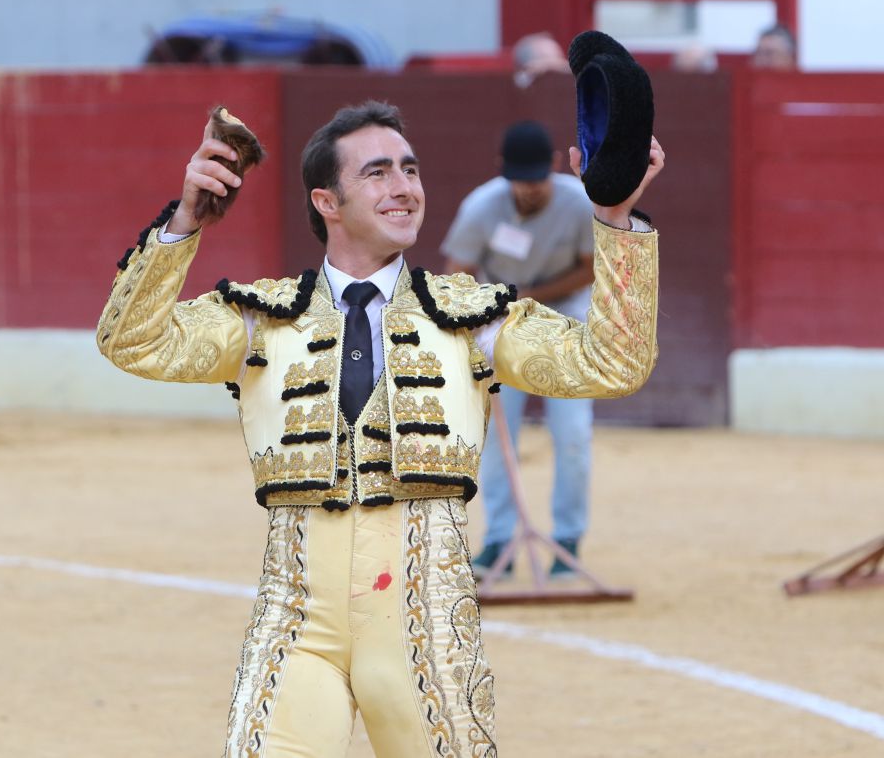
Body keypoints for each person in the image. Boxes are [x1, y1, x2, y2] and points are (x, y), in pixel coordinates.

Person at [97, 100, 663, 757]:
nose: (404, 187)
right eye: (377, 173)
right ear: (327, 202)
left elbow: (613, 363)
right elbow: (131, 343)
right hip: (295, 625)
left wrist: (615, 221)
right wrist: (185, 223)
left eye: (410, 169)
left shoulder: (472, 317)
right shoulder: (261, 319)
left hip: (426, 626)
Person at [440, 121, 596, 579]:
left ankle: (567, 537)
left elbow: (590, 270)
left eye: (536, 177)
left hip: (564, 317)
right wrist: (481, 316)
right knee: (495, 438)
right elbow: (457, 274)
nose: (528, 189)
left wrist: (530, 293)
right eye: (519, 179)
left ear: (552, 167)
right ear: (503, 172)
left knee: (573, 436)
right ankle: (498, 539)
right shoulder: (482, 207)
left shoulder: (577, 203)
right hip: (499, 320)